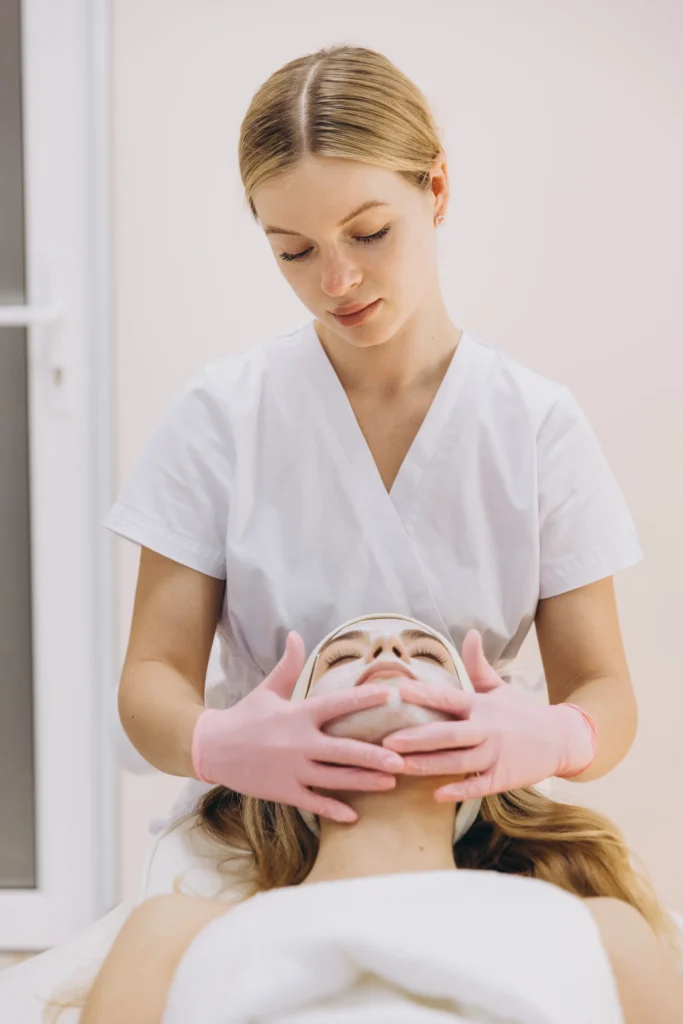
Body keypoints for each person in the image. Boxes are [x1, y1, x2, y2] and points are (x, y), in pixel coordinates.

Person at [106, 44, 643, 830]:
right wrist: (217, 742)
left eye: (367, 233)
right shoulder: (222, 416)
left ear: (436, 189)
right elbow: (150, 678)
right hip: (263, 831)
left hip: (468, 829)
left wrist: (556, 736)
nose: (335, 282)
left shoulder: (533, 427)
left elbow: (606, 693)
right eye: (292, 251)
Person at [79, 616, 682, 1024]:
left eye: (425, 656)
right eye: (342, 657)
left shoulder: (604, 929)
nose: (387, 653)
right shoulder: (172, 932)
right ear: (276, 753)